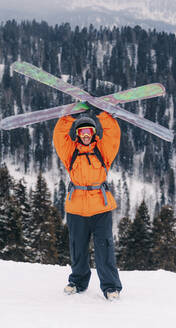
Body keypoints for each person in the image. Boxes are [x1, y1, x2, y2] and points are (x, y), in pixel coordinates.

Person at [53, 104, 122, 301]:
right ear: (77, 133)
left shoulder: (103, 152)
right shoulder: (70, 153)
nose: (85, 134)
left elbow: (113, 135)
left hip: (101, 208)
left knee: (104, 248)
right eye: (82, 131)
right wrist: (70, 115)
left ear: (93, 133)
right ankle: (77, 282)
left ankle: (110, 287)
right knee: (78, 248)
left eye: (89, 131)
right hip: (76, 208)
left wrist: (102, 112)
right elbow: (59, 135)